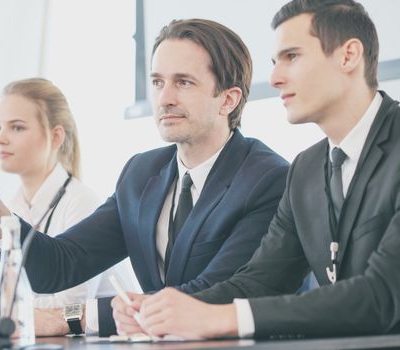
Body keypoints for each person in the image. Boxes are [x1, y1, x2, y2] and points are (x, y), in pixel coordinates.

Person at [0, 19, 288, 337]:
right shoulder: (140, 174)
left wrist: (74, 317)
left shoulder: (268, 178)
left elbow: (218, 291)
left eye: (183, 82)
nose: (164, 98)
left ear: (228, 99)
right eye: (157, 82)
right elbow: (61, 264)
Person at [131, 0, 400, 340]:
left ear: (348, 56)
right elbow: (261, 281)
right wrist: (159, 313)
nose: (274, 78)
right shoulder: (305, 169)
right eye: (275, 62)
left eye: (292, 57)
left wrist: (225, 319)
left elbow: (382, 295)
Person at [0, 78, 135, 323]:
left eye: (16, 127)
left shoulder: (81, 202)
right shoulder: (12, 207)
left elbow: (69, 310)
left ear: (56, 136)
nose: (0, 139)